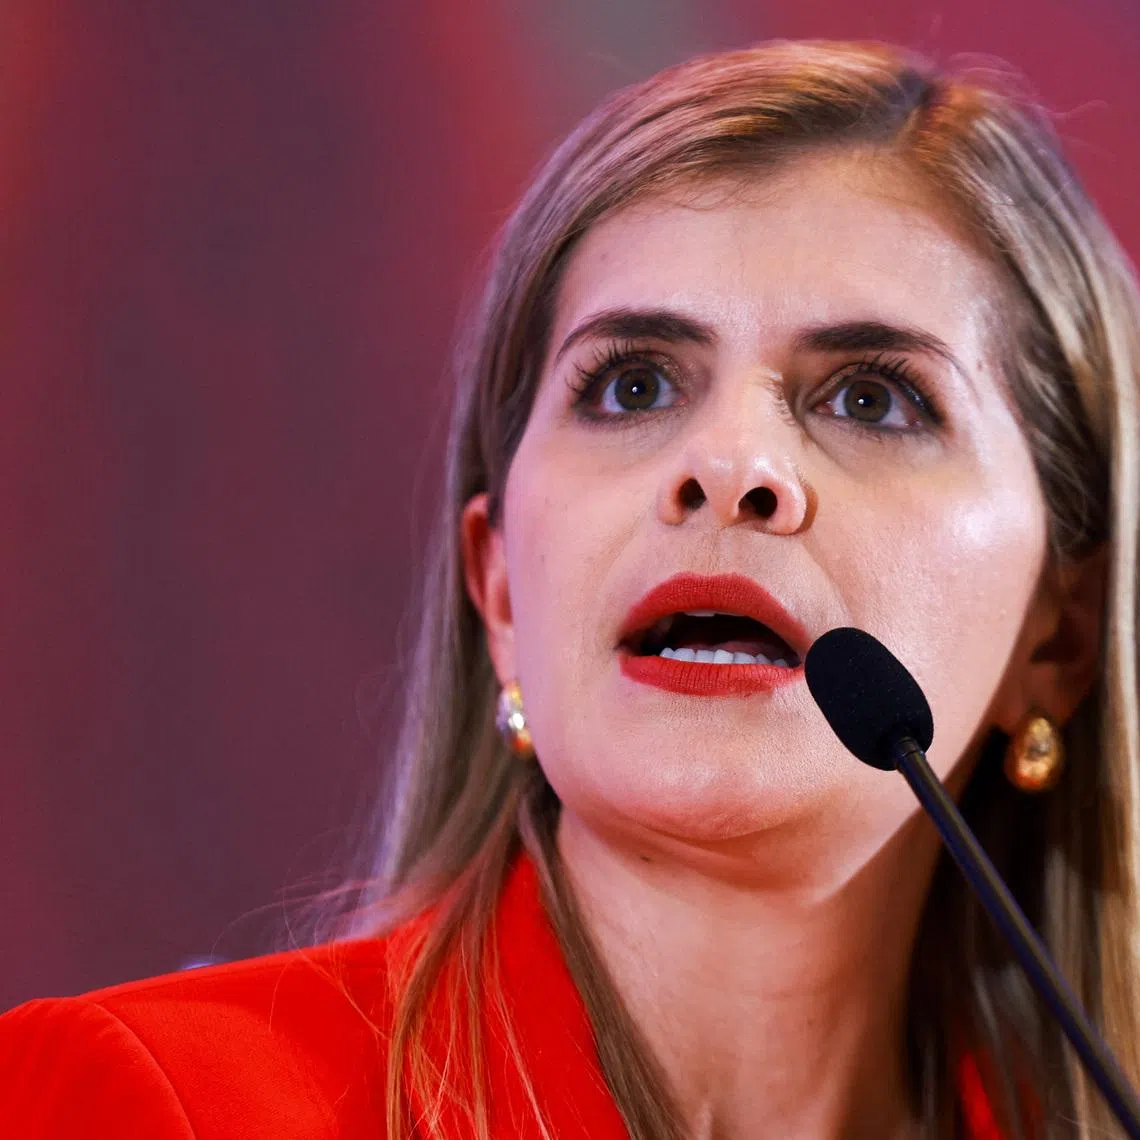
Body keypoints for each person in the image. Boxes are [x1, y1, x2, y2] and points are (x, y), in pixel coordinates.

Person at [2, 38, 1138, 1140]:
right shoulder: (156, 1105)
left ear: (1062, 640)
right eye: (634, 384)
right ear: (499, 594)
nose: (729, 465)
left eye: (872, 399)